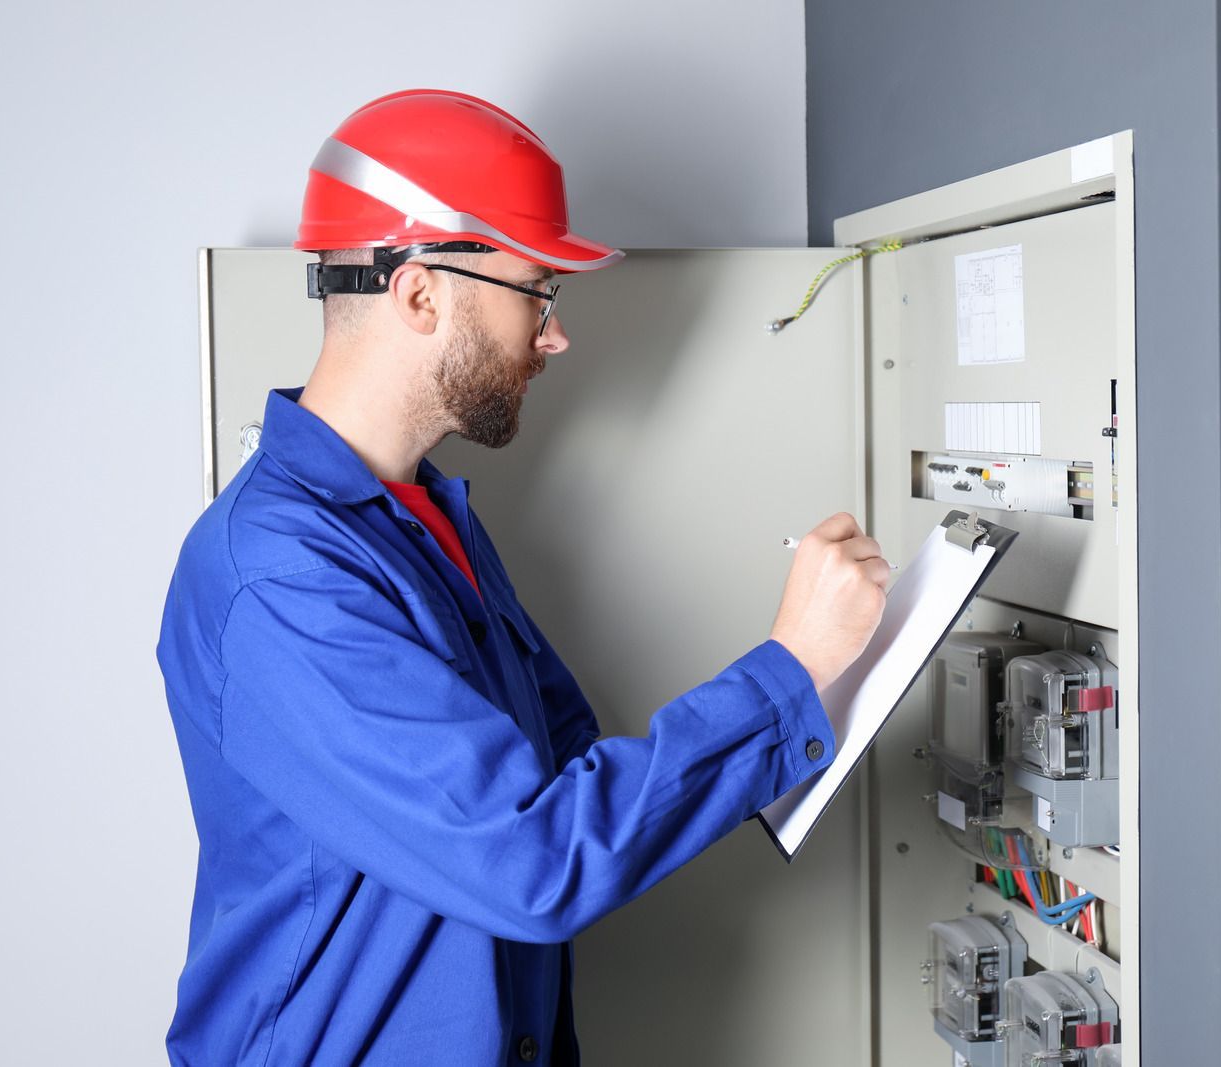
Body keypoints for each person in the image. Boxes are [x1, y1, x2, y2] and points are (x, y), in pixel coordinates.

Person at [156, 89, 889, 1066]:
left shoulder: (423, 520)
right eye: (535, 292)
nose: (554, 334)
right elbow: (532, 858)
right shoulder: (281, 574)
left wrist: (791, 704)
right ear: (421, 293)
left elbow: (563, 767)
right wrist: (788, 669)